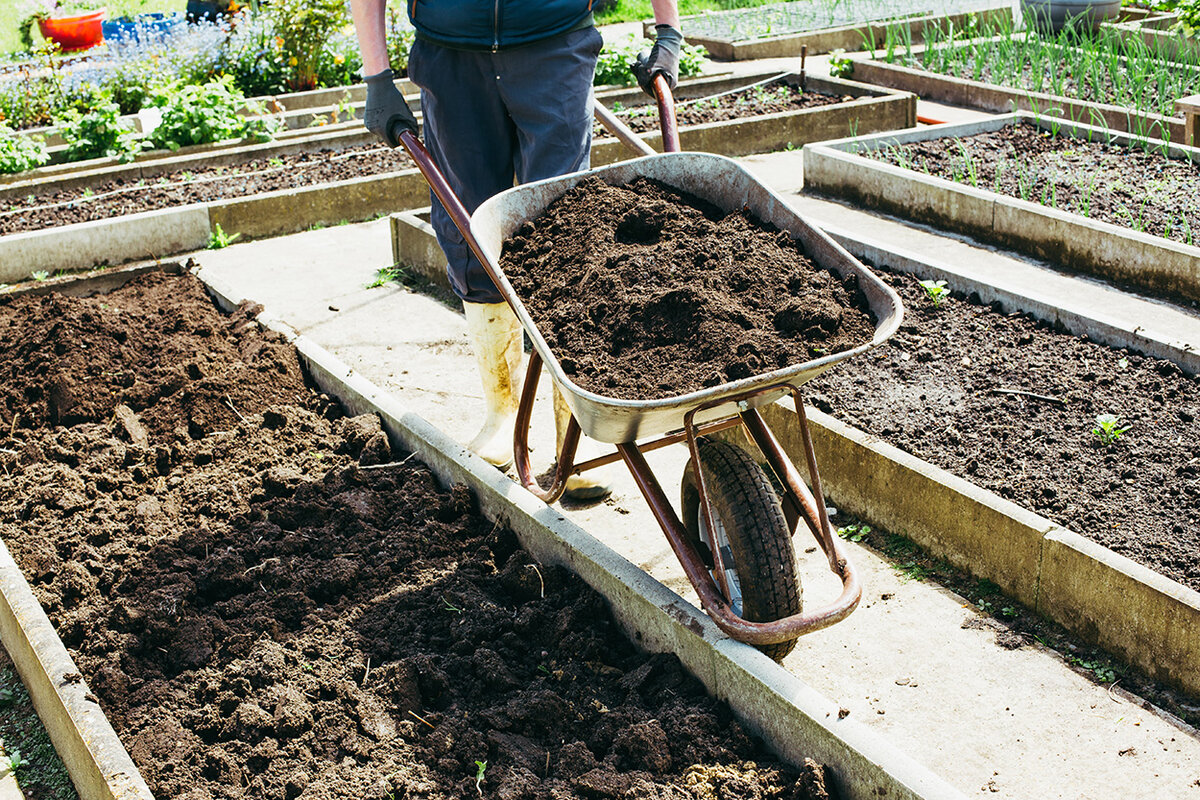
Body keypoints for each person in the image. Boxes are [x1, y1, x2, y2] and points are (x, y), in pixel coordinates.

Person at [350, 0, 682, 500]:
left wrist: (669, 32)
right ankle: (502, 411)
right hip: (451, 57)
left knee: (565, 231)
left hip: (554, 42)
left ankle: (574, 429)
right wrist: (377, 76)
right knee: (470, 227)